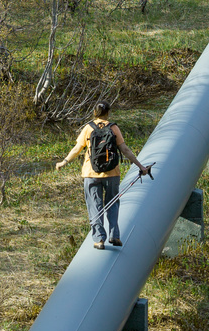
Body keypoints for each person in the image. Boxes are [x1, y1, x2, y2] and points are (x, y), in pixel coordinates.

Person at [56, 101, 148, 249]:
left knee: (94, 206)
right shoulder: (113, 127)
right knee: (113, 204)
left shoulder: (88, 128)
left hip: (91, 173)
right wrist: (141, 166)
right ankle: (114, 235)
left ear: (94, 112)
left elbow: (77, 149)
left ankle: (99, 239)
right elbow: (124, 149)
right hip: (112, 173)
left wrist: (63, 162)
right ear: (108, 113)